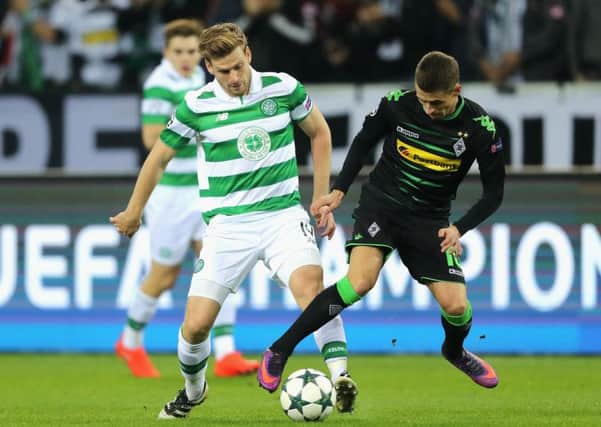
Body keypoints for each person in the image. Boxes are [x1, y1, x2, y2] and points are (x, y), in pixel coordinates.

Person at [110, 22, 357, 419]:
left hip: (281, 216)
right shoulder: (196, 105)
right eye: (224, 71)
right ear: (209, 67)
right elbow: (158, 157)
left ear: (249, 55)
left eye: (239, 67)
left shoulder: (283, 88)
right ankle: (194, 391)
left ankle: (341, 376)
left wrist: (320, 197)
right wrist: (134, 211)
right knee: (194, 327)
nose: (235, 77)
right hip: (227, 226)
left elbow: (320, 132)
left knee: (313, 291)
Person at [258, 51, 505, 400]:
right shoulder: (396, 105)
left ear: (457, 91)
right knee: (359, 282)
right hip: (382, 206)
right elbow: (362, 143)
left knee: (456, 306)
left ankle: (454, 352)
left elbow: (494, 194)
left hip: (430, 220)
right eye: (422, 101)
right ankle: (280, 350)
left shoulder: (481, 128)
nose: (428, 109)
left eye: (436, 103)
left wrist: (459, 228)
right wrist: (339, 189)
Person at [114, 19, 258, 379]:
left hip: (202, 191)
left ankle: (226, 352)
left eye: (192, 51)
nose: (185, 58)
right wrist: (203, 132)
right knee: (163, 277)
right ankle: (130, 341)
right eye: (178, 51)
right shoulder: (160, 85)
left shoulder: (200, 80)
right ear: (166, 52)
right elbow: (151, 140)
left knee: (219, 267)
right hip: (170, 197)